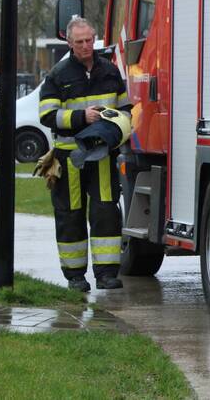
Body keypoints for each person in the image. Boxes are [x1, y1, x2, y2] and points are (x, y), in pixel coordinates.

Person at [39, 18, 131, 291]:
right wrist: (82, 117)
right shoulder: (58, 75)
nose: (85, 46)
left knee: (106, 212)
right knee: (70, 215)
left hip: (103, 155)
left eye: (89, 40)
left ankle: (106, 275)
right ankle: (75, 276)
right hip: (69, 157)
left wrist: (118, 125)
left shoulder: (110, 71)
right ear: (69, 43)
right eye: (79, 42)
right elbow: (47, 114)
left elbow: (126, 107)